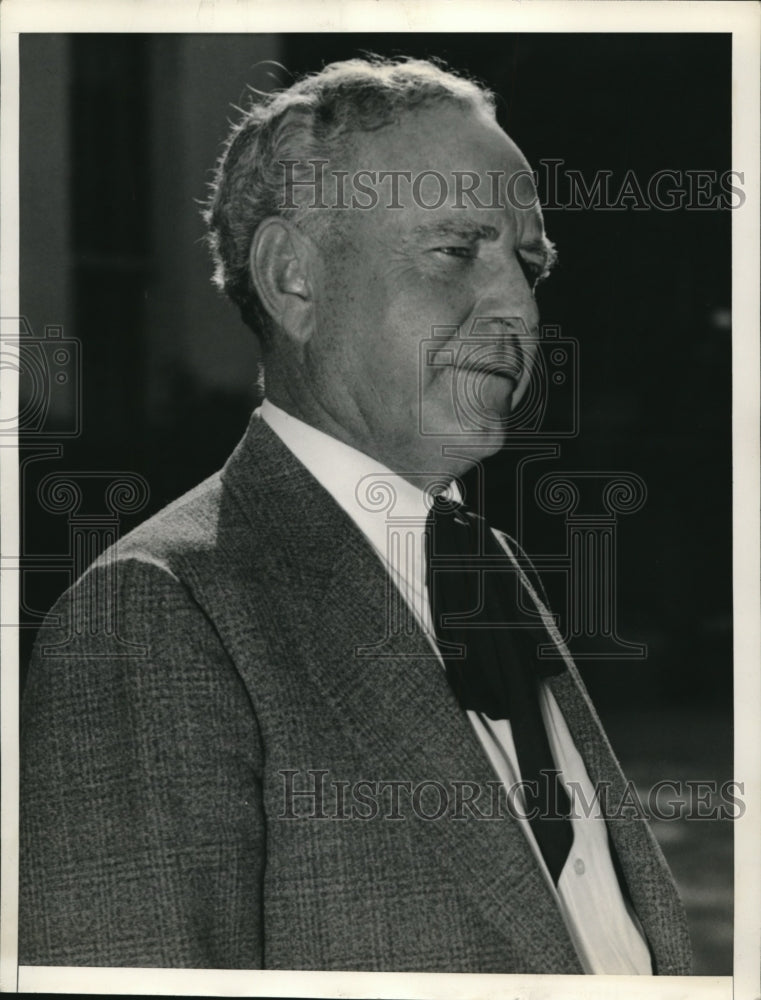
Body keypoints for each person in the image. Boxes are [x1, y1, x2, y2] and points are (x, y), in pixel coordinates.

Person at [19, 56, 691, 974]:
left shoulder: (489, 562)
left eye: (527, 264)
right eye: (456, 251)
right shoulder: (154, 614)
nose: (518, 310)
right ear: (294, 278)